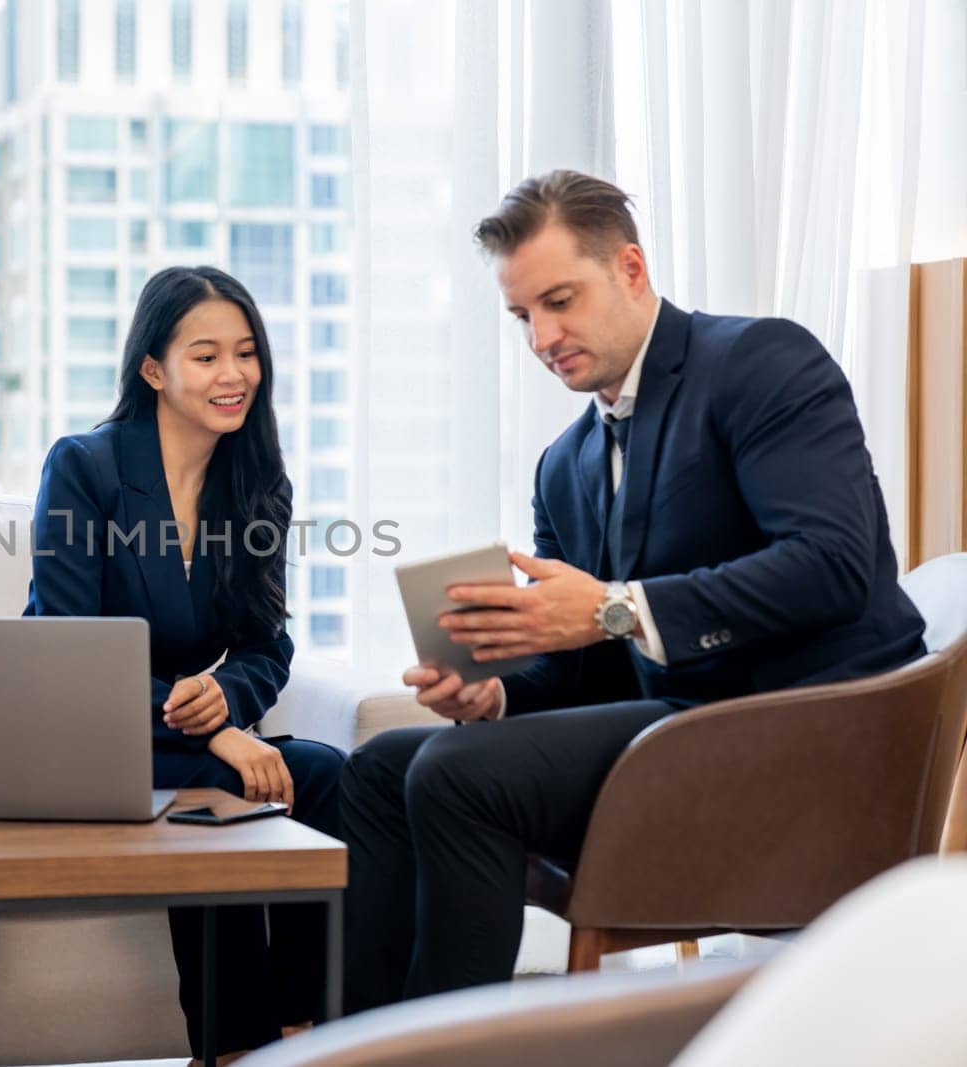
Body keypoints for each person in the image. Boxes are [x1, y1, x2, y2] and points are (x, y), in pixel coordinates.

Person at [339, 170, 927, 1010]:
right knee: (378, 766)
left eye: (561, 300)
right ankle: (360, 1042)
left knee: (456, 777)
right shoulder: (565, 465)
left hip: (807, 733)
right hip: (677, 734)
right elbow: (593, 671)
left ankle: (445, 1054)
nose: (543, 336)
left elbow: (833, 560)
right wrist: (496, 696)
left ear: (631, 270)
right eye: (522, 317)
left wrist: (615, 605)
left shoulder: (759, 360)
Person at [0, 266, 346, 1065]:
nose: (234, 374)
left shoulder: (259, 484)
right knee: (228, 778)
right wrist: (217, 732)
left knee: (325, 774)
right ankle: (238, 1044)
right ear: (154, 369)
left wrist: (225, 694)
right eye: (205, 356)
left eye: (247, 353)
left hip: (167, 743)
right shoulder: (86, 466)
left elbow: (270, 643)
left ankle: (303, 1027)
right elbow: (67, 638)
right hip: (59, 730)